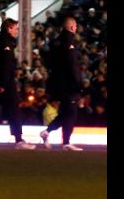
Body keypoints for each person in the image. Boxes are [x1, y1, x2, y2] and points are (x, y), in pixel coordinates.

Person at [0, 18, 36, 149]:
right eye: (16, 28)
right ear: (9, 29)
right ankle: (19, 140)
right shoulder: (6, 43)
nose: (17, 31)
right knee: (14, 108)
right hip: (5, 82)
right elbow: (6, 65)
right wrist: (2, 83)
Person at [40, 16, 84, 151]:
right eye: (75, 26)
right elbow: (72, 65)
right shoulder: (68, 41)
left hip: (57, 83)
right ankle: (66, 142)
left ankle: (47, 132)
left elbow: (48, 61)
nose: (76, 29)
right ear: (71, 27)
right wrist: (77, 83)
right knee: (70, 112)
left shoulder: (55, 42)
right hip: (69, 84)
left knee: (65, 112)